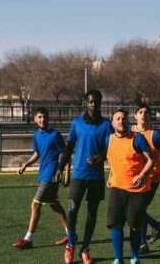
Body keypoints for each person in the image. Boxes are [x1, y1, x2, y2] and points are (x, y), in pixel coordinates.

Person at [58, 89, 111, 264]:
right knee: (72, 212)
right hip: (78, 176)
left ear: (100, 103)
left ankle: (85, 248)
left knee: (92, 213)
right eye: (91, 101)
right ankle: (70, 245)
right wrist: (60, 167)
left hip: (96, 177)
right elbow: (69, 146)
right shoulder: (76, 123)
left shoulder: (106, 125)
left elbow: (109, 149)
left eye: (97, 101)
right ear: (85, 103)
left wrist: (100, 157)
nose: (94, 104)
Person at [11, 107, 68, 249]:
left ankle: (28, 239)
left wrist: (67, 171)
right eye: (40, 117)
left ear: (49, 118)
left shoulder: (55, 135)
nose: (43, 120)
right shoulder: (36, 135)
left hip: (52, 174)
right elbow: (37, 154)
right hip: (43, 172)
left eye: (45, 117)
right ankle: (70, 233)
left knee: (35, 204)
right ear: (36, 119)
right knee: (54, 204)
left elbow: (65, 153)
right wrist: (26, 165)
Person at [107, 108, 154, 264]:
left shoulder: (138, 139)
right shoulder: (110, 139)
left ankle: (134, 256)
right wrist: (110, 176)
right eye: (118, 118)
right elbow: (113, 160)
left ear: (128, 121)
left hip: (137, 191)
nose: (121, 121)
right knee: (115, 224)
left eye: (124, 118)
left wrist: (141, 176)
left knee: (134, 224)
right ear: (113, 123)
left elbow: (151, 160)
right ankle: (118, 258)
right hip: (116, 188)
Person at [130, 105, 160, 254]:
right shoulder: (130, 133)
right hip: (133, 178)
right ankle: (156, 226)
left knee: (139, 209)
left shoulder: (155, 135)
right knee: (135, 209)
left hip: (151, 178)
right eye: (140, 112)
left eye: (146, 112)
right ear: (135, 115)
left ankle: (142, 243)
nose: (144, 115)